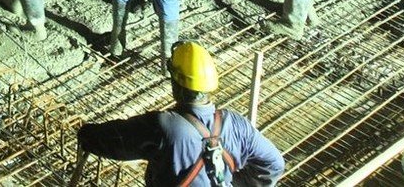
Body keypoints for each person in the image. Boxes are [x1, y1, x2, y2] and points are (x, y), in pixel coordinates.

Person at [77, 40, 285, 187]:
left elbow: (115, 141)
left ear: (176, 85)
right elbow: (274, 164)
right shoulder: (237, 124)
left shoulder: (165, 126)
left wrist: (85, 134)